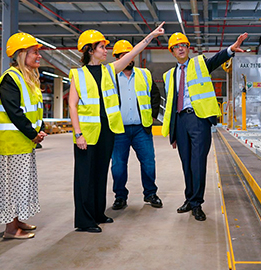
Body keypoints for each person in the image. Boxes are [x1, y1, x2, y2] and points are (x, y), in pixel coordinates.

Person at [69, 24, 164, 233]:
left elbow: (134, 51)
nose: (106, 50)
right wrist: (78, 135)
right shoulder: (78, 75)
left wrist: (151, 36)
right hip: (87, 134)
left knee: (101, 174)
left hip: (107, 132)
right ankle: (85, 220)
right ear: (90, 50)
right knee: (85, 177)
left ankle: (98, 213)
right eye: (102, 47)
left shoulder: (109, 71)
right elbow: (72, 106)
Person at [162, 32, 248, 221]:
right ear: (172, 52)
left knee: (198, 163)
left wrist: (230, 50)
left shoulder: (200, 64)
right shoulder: (169, 75)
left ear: (188, 48)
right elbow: (171, 103)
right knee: (186, 164)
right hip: (180, 122)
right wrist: (173, 132)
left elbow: (216, 60)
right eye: (177, 46)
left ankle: (197, 204)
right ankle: (189, 199)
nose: (181, 48)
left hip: (198, 119)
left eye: (184, 45)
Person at [0, 32, 47, 239]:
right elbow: (15, 112)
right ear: (21, 54)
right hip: (13, 144)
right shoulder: (10, 79)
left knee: (22, 185)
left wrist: (37, 131)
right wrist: (33, 134)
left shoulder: (26, 78)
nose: (38, 56)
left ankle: (18, 220)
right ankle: (11, 229)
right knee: (11, 187)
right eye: (34, 52)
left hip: (24, 142)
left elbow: (32, 109)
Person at [110, 40, 162, 211]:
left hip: (141, 128)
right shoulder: (109, 77)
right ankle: (120, 196)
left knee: (148, 162)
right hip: (119, 129)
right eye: (123, 55)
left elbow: (155, 95)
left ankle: (150, 193)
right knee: (118, 165)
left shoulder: (144, 74)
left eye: (129, 54)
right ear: (117, 58)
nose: (128, 58)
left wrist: (152, 116)